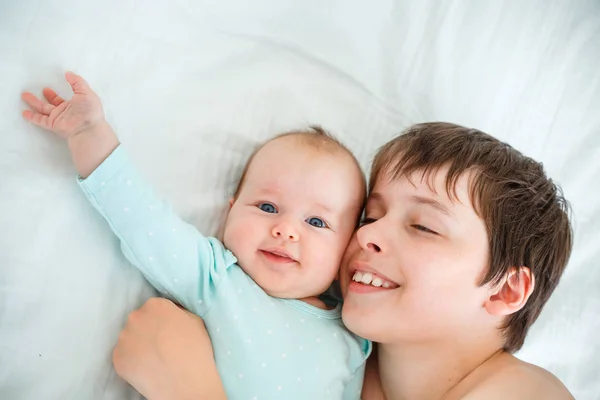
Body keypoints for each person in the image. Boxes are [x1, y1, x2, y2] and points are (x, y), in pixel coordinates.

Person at [112, 122, 575, 399]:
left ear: (506, 289)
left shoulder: (520, 393)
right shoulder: (340, 367)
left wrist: (188, 386)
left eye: (423, 226)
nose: (368, 234)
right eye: (368, 215)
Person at [20, 72, 371, 399]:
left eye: (316, 222)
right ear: (231, 210)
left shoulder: (354, 337)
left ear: (349, 245)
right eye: (267, 207)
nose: (285, 230)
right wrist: (88, 133)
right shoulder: (217, 277)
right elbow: (145, 221)